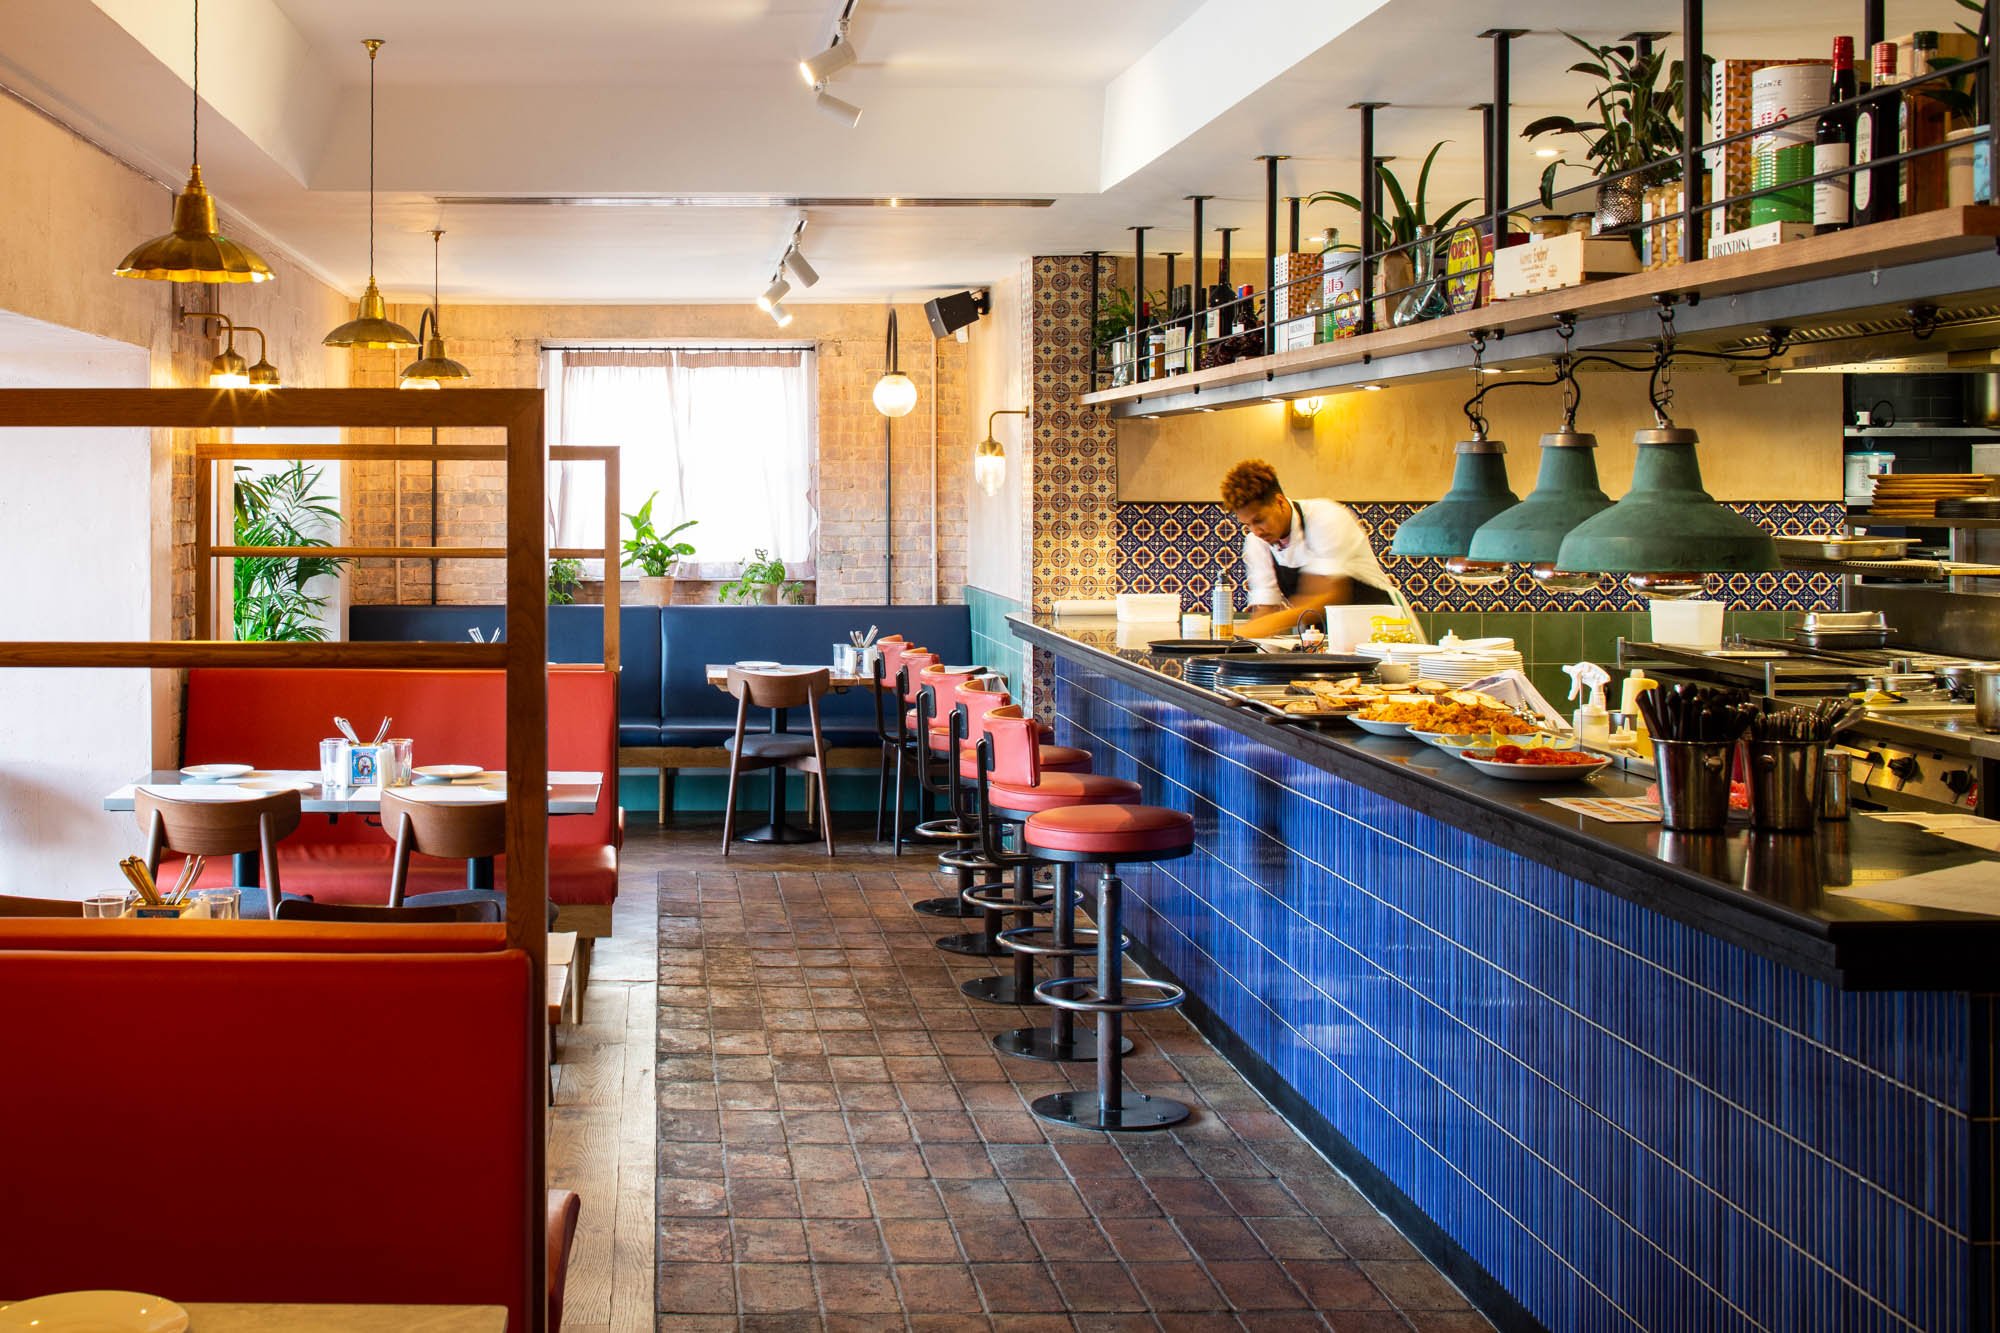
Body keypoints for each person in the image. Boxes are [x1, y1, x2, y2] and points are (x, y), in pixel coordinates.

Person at [1220, 459, 1400, 628]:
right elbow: (1267, 609)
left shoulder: (1326, 516)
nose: (1256, 531)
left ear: (1280, 502)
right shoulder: (1257, 543)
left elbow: (1325, 597)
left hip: (1381, 628)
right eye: (1247, 525)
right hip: (1324, 638)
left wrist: (1253, 631)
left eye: (1259, 520)